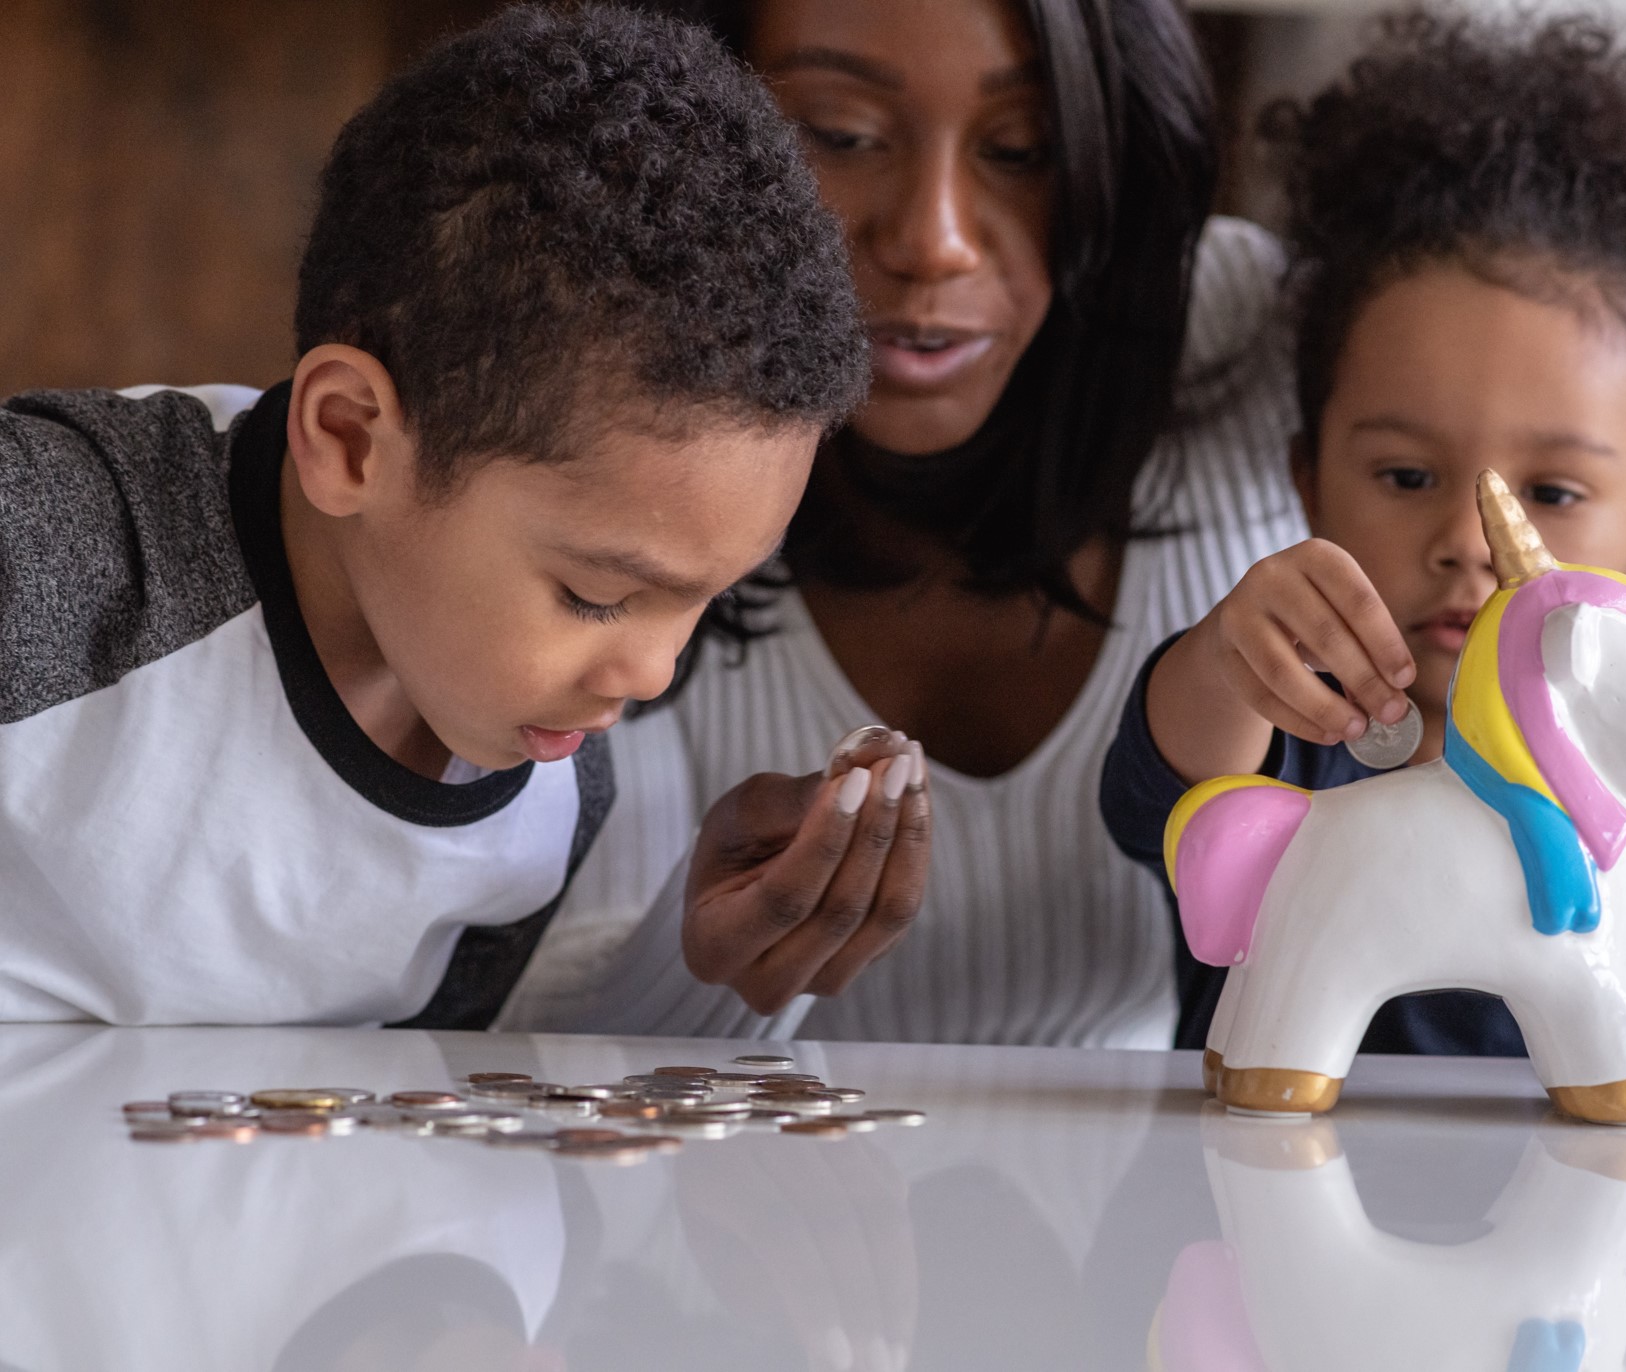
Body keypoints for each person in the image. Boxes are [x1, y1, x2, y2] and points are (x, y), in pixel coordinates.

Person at [0, 5, 879, 1026]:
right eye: (596, 595)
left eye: (705, 601)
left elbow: (430, 1120)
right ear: (351, 439)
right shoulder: (44, 548)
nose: (650, 675)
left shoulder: (552, 790)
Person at [499, 0, 1306, 1046]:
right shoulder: (587, 390)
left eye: (1023, 149)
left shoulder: (1258, 336)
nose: (933, 241)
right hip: (743, 1197)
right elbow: (538, 1045)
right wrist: (701, 969)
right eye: (839, 134)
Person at [1100, 8, 1626, 1097]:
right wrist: (1232, 654)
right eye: (1406, 478)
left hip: (1582, 1252)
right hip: (1248, 1227)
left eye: (1552, 492)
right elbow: (1158, 805)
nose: (1469, 543)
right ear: (1307, 482)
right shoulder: (1306, 725)